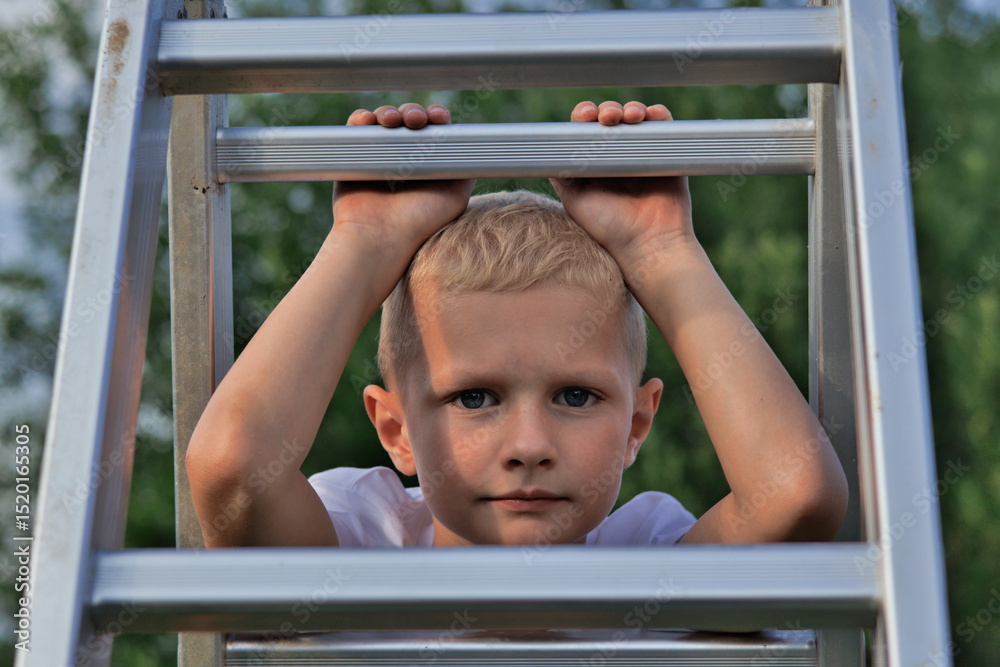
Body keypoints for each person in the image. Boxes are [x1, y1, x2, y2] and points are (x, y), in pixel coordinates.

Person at [185, 100, 848, 549]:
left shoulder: (645, 566)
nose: (529, 444)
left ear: (637, 425)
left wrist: (664, 251)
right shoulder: (369, 545)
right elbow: (234, 470)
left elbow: (796, 496)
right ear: (396, 430)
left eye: (576, 395)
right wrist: (364, 240)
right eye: (474, 397)